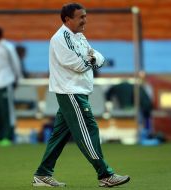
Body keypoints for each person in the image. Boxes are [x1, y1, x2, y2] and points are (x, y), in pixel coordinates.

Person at [32, 3, 130, 188]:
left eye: (85, 16)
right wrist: (91, 59)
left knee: (59, 136)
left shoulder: (79, 37)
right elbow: (78, 64)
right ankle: (105, 174)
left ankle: (43, 174)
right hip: (71, 92)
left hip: (77, 92)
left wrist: (92, 59)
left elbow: (99, 58)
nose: (85, 20)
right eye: (81, 17)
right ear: (68, 20)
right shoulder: (60, 38)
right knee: (89, 131)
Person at [0, 27, 23, 146]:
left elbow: (15, 63)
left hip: (5, 84)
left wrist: (18, 79)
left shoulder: (7, 47)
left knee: (7, 112)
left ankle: (8, 136)